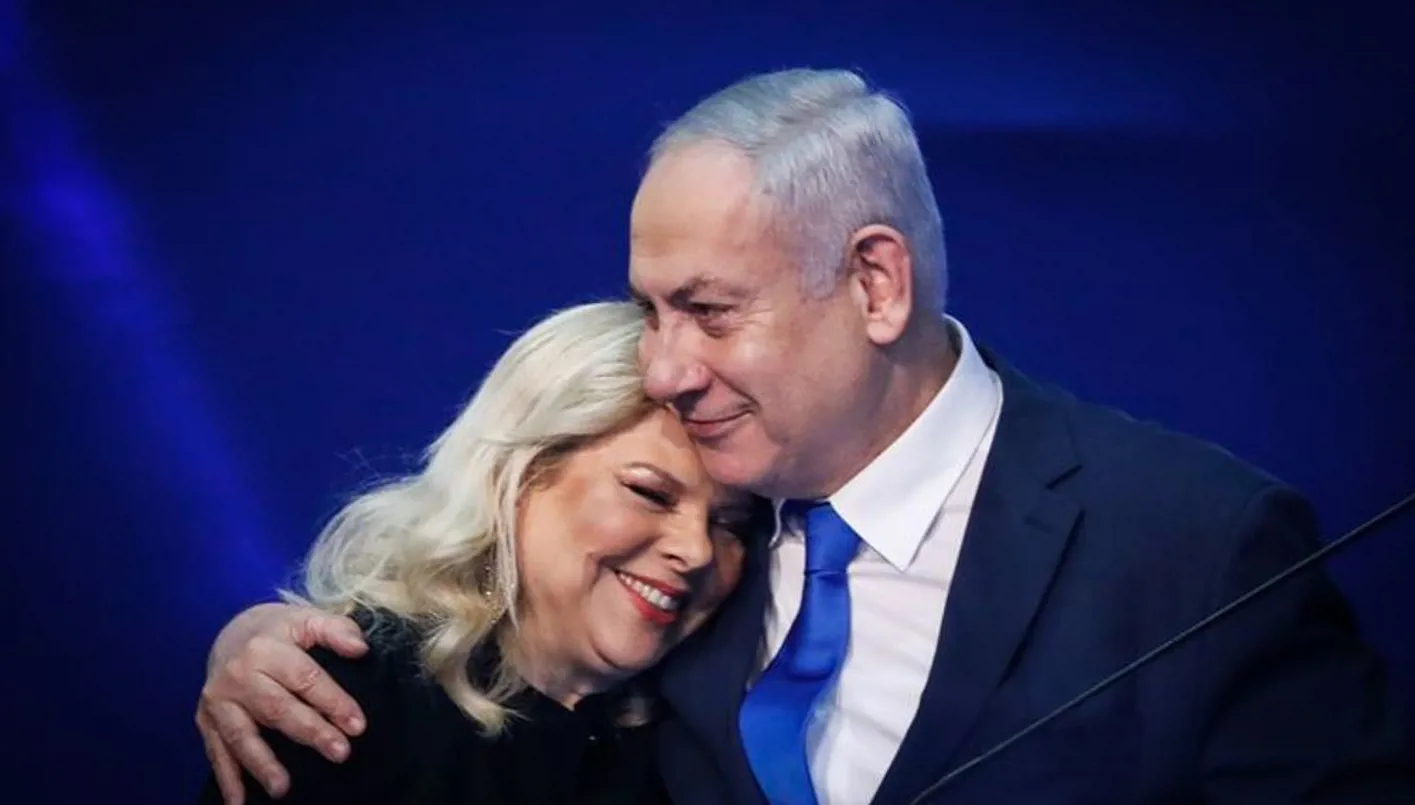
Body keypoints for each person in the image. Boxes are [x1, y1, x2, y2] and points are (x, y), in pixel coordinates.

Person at [197, 69, 1415, 804]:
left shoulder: (1201, 544)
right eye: (650, 313)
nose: (666, 369)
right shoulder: (675, 580)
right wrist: (271, 644)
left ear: (874, 284)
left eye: (709, 311)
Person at [194, 300, 759, 804]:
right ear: (521, 474)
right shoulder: (333, 702)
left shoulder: (700, 749)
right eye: (650, 493)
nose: (697, 550)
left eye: (729, 524)